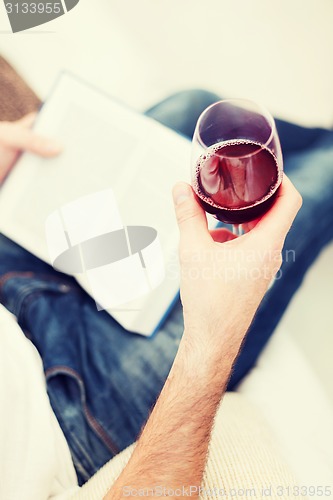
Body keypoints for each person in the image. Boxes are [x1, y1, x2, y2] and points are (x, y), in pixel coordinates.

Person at [0, 90, 332, 498]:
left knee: (192, 106)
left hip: (7, 265)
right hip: (73, 409)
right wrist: (214, 337)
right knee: (323, 173)